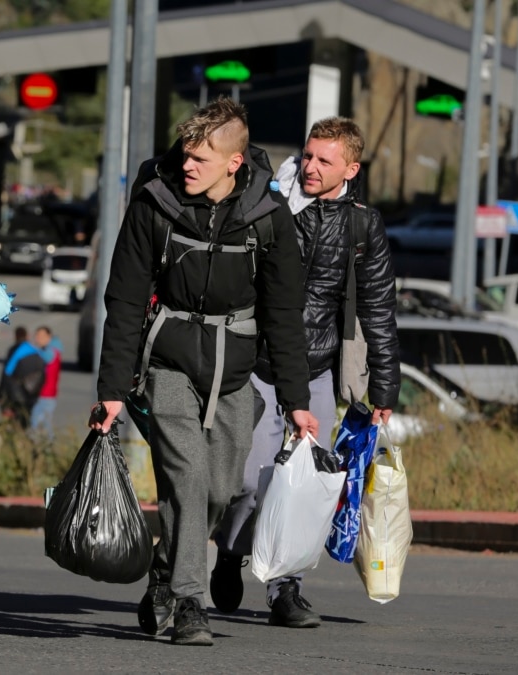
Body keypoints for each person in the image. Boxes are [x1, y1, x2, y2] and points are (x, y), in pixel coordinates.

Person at [89, 98, 319, 647]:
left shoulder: (269, 217)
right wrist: (113, 389)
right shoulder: (156, 203)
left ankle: (167, 571)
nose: (188, 167)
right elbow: (122, 299)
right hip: (167, 362)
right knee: (187, 479)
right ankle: (191, 603)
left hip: (236, 368)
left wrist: (296, 398)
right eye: (186, 155)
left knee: (221, 487)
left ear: (234, 162)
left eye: (202, 159)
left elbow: (284, 316)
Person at [211, 117, 400, 628]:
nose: (311, 167)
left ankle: (285, 589)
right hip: (256, 363)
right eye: (308, 156)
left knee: (303, 484)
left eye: (324, 160)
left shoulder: (363, 225)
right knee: (248, 483)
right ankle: (230, 553)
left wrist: (384, 386)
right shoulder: (275, 207)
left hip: (316, 369)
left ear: (351, 169)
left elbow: (379, 307)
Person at [29, 326, 62, 437]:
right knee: (44, 424)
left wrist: (32, 348)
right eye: (37, 336)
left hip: (45, 394)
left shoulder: (50, 352)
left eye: (41, 336)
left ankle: (42, 448)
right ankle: (45, 448)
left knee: (37, 423)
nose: (38, 338)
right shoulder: (52, 350)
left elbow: (41, 357)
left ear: (49, 337)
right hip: (46, 394)